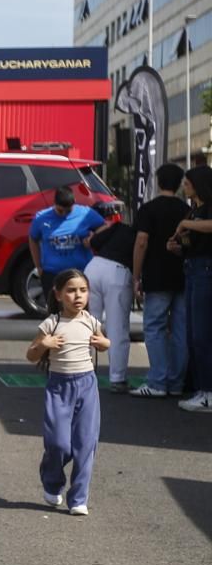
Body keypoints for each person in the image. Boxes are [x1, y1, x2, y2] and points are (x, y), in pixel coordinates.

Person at [25, 269, 111, 516]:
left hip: (87, 384)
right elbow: (31, 355)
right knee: (59, 444)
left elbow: (104, 343)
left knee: (86, 444)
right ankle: (52, 480)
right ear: (59, 294)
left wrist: (104, 344)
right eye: (71, 291)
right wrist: (44, 345)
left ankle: (78, 498)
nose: (78, 296)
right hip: (59, 387)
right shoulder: (51, 323)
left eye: (83, 290)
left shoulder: (91, 321)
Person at [130, 163, 189, 398]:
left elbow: (142, 241)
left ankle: (157, 382)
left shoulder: (149, 209)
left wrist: (136, 275)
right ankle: (176, 383)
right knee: (181, 330)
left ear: (158, 181)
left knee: (154, 327)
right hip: (183, 275)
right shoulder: (187, 209)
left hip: (156, 275)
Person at [170, 165, 212, 412]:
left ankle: (207, 391)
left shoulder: (204, 209)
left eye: (187, 182)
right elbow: (191, 242)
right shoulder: (194, 210)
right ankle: (201, 389)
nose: (184, 185)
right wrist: (177, 246)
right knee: (192, 333)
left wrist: (186, 223)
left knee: (201, 334)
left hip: (205, 271)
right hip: (193, 268)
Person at [28, 187, 107, 312]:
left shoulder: (85, 214)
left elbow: (105, 226)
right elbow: (33, 239)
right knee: (56, 315)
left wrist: (93, 237)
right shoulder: (41, 218)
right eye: (60, 211)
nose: (64, 214)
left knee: (81, 314)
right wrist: (38, 266)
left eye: (68, 211)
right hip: (53, 273)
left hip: (80, 273)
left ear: (74, 203)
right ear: (54, 204)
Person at [85, 207, 136, 393]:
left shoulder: (118, 227)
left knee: (88, 325)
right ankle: (117, 378)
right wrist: (137, 278)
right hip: (118, 273)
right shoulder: (142, 235)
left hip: (93, 268)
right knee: (117, 328)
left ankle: (82, 373)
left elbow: (95, 241)